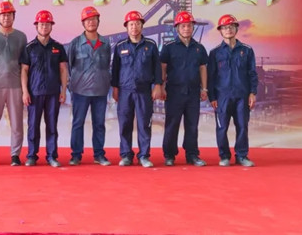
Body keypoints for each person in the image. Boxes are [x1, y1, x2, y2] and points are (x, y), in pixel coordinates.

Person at [110, 11, 162, 168]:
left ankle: (144, 156)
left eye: (137, 24)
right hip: (125, 91)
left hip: (144, 91)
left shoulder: (150, 45)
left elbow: (157, 67)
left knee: (144, 124)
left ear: (142, 26)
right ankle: (126, 155)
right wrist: (115, 88)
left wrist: (157, 85)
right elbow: (115, 69)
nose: (134, 27)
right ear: (126, 27)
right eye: (131, 24)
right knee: (125, 123)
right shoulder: (120, 46)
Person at [207, 14, 258, 167]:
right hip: (222, 96)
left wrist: (252, 93)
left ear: (236, 29)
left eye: (231, 27)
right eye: (224, 28)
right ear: (220, 31)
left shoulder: (247, 50)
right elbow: (211, 77)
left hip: (242, 95)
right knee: (222, 127)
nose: (228, 30)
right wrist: (212, 97)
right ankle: (224, 156)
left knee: (242, 126)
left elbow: (252, 73)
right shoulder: (215, 53)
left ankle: (242, 156)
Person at [20, 10, 68, 167]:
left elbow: (63, 70)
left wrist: (63, 90)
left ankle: (52, 156)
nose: (44, 27)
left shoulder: (58, 47)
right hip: (34, 93)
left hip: (53, 92)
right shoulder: (29, 48)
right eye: (41, 24)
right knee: (33, 126)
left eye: (47, 24)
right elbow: (24, 71)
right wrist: (25, 91)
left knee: (52, 125)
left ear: (51, 26)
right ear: (36, 26)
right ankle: (31, 156)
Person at [159, 11, 208, 167]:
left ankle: (192, 155)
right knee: (172, 124)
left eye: (189, 26)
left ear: (193, 27)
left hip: (193, 92)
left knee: (192, 125)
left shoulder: (199, 48)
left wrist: (204, 89)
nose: (186, 28)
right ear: (177, 28)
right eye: (183, 26)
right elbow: (163, 68)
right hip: (174, 92)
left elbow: (202, 68)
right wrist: (161, 87)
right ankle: (169, 155)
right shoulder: (169, 48)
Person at [0, 1, 27, 167]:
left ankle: (15, 155)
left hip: (15, 85)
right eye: (3, 15)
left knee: (16, 122)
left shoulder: (21, 37)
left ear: (13, 17)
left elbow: (24, 62)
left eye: (9, 15)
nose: (6, 18)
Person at [66, 6, 113, 166]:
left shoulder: (105, 43)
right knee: (78, 123)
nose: (91, 22)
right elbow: (69, 66)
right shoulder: (75, 43)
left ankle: (99, 154)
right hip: (80, 91)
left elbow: (107, 65)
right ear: (83, 23)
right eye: (87, 20)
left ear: (98, 21)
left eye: (93, 19)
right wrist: (72, 86)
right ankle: (76, 155)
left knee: (99, 124)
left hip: (100, 90)